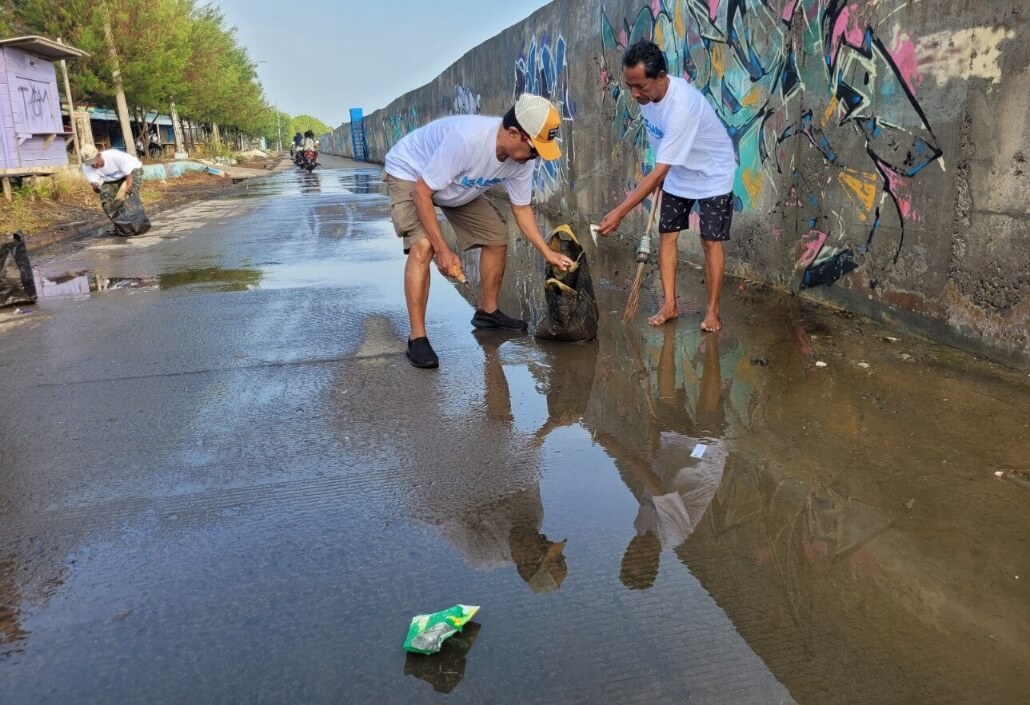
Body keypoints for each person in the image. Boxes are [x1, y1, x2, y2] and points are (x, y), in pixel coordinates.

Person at [384, 92, 574, 369]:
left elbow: (521, 209)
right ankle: (417, 338)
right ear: (513, 133)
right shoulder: (467, 140)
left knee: (496, 236)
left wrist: (548, 253)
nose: (536, 157)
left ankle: (488, 312)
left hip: (455, 185)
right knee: (423, 246)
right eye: (534, 149)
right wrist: (443, 251)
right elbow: (423, 193)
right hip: (412, 175)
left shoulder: (523, 159)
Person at [597, 40, 738, 331]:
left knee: (710, 241)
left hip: (713, 173)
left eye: (641, 87)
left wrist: (620, 212)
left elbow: (660, 165)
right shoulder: (648, 98)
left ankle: (713, 311)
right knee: (667, 236)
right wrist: (664, 171)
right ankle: (670, 304)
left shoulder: (682, 106)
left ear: (661, 77)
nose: (634, 94)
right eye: (630, 86)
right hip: (678, 171)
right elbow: (660, 145)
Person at [79, 144, 151, 236]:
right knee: (106, 202)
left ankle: (139, 226)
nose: (94, 165)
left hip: (132, 170)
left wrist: (127, 191)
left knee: (130, 196)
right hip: (111, 180)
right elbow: (97, 190)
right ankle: (123, 229)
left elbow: (129, 175)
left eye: (95, 161)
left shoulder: (114, 156)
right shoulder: (87, 167)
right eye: (91, 164)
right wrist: (96, 187)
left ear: (99, 155)